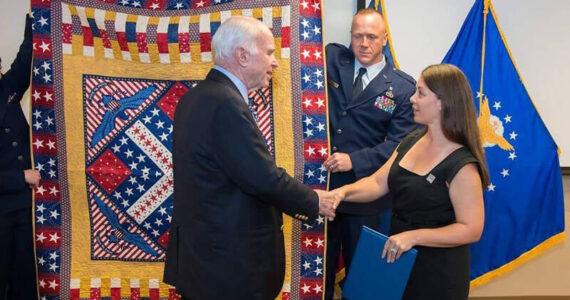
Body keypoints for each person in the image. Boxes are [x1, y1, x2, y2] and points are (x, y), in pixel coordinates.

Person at [163, 16, 337, 300]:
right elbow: (262, 177)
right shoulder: (225, 103)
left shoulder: (195, 97)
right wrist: (315, 201)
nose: (275, 62)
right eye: (269, 52)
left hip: (206, 260)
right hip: (228, 268)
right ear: (242, 55)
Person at [332, 64, 489, 299]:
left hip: (437, 275)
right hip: (398, 264)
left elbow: (471, 229)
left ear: (443, 102)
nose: (412, 99)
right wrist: (341, 193)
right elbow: (376, 183)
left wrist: (414, 236)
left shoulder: (462, 164)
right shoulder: (411, 140)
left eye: (421, 93)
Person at [323, 8, 417, 299]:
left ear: (385, 39)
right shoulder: (332, 60)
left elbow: (399, 145)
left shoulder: (402, 88)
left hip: (365, 195)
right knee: (317, 274)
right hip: (321, 190)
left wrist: (356, 160)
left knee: (362, 278)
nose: (364, 43)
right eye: (357, 36)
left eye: (372, 37)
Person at [0, 14, 41, 300]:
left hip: (24, 206)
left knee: (24, 279)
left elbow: (24, 63)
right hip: (2, 207)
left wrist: (35, 20)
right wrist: (19, 177)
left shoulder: (6, 89)